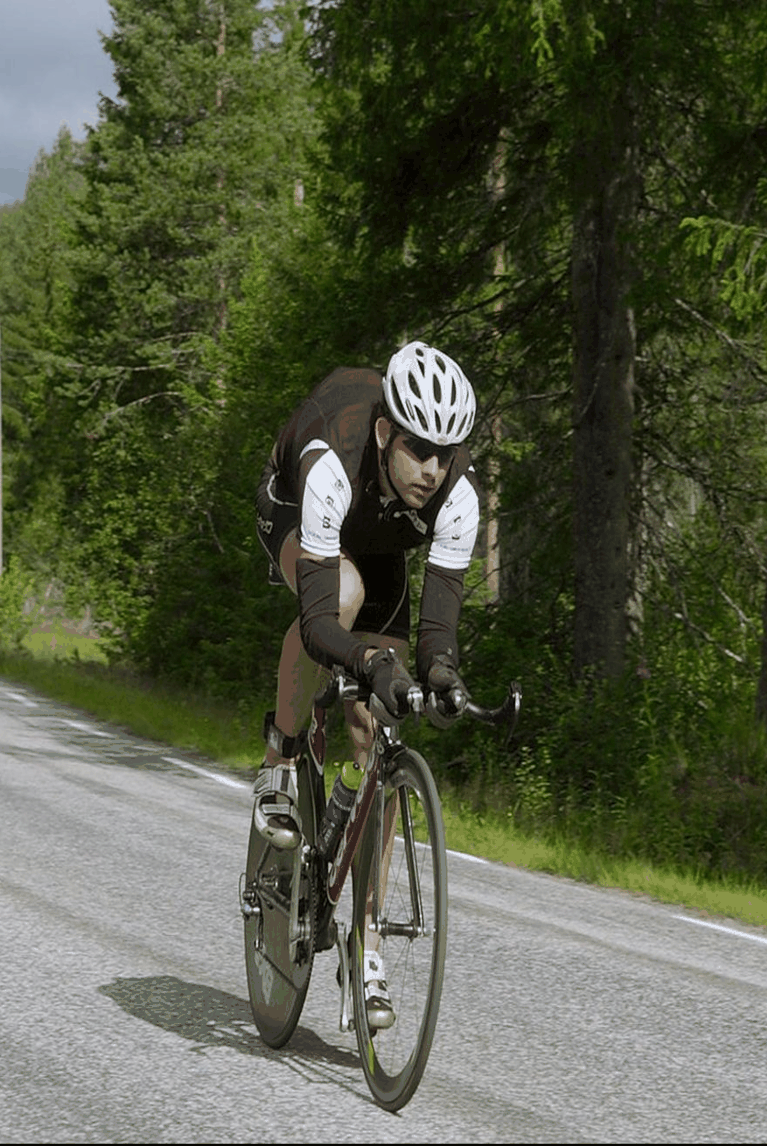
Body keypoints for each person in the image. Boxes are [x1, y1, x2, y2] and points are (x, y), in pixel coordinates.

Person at [252, 339, 479, 1029]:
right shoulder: (331, 457)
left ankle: (367, 939)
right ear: (386, 433)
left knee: (376, 727)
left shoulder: (456, 493)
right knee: (343, 596)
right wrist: (367, 664)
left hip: (380, 545)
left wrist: (439, 676)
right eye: (418, 449)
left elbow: (439, 630)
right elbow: (321, 623)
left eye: (447, 452)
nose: (433, 469)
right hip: (301, 517)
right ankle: (283, 759)